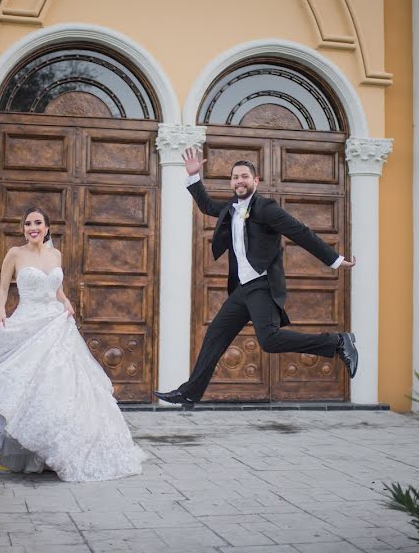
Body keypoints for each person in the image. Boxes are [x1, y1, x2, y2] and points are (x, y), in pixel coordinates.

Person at [154, 147, 359, 409]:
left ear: (255, 181)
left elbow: (301, 232)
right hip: (242, 289)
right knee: (214, 336)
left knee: (270, 341)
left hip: (262, 285)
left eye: (244, 176)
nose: (239, 181)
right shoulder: (230, 207)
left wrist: (336, 259)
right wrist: (194, 176)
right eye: (235, 177)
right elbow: (206, 206)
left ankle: (339, 341)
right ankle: (190, 393)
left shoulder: (267, 208)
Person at [0, 207, 144, 481]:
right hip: (27, 321)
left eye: (37, 223)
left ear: (47, 228)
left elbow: (55, 288)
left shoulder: (55, 254)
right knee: (20, 383)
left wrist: (67, 301)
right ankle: (19, 447)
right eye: (27, 224)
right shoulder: (15, 253)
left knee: (60, 384)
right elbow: (3, 288)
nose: (32, 227)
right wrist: (0, 310)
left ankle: (53, 448)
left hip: (56, 323)